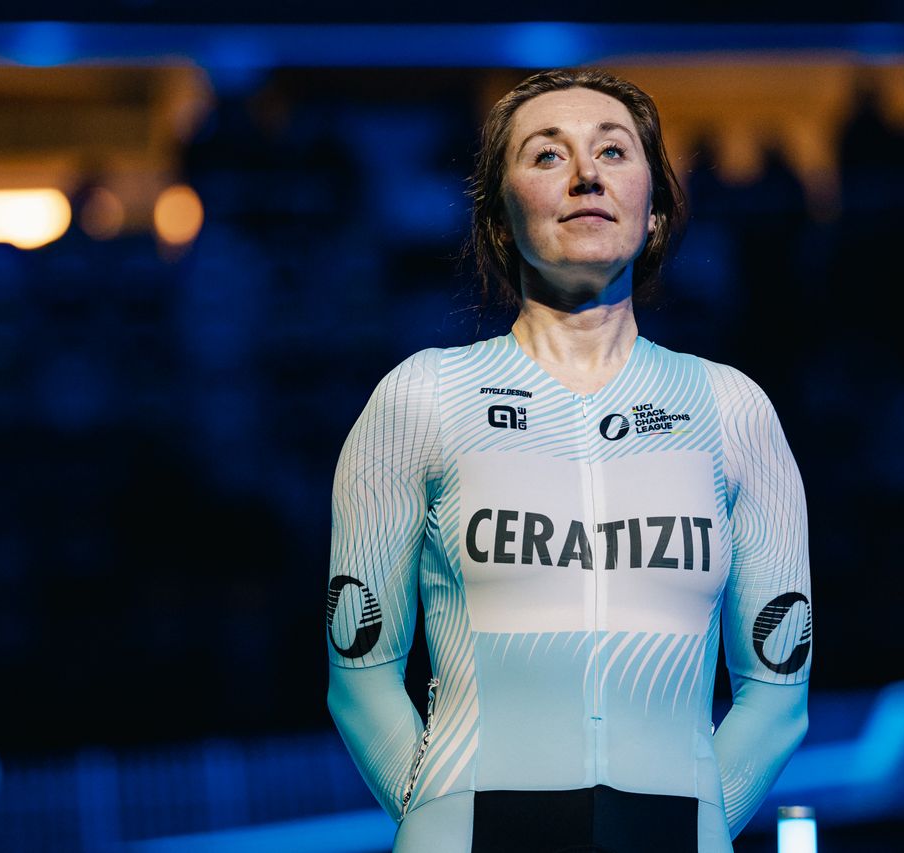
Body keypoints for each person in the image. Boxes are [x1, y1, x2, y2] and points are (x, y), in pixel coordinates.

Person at [326, 67, 812, 853]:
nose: (586, 173)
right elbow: (360, 675)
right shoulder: (419, 398)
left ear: (654, 212)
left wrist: (695, 826)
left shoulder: (734, 410)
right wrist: (438, 816)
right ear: (498, 221)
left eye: (614, 151)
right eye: (548, 156)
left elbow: (777, 694)